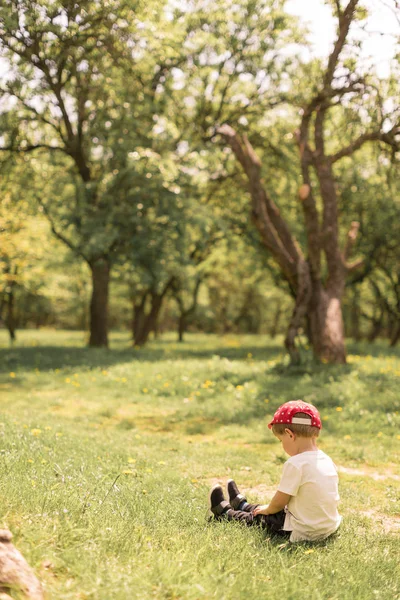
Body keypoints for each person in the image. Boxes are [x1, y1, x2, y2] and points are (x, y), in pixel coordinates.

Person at [209, 400, 342, 542]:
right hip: (327, 526)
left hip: (303, 529)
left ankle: (225, 513)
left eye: (281, 440)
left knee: (265, 517)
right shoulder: (327, 460)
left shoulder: (296, 464)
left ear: (290, 434)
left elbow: (279, 503)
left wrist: (267, 510)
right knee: (273, 511)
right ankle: (242, 505)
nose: (282, 444)